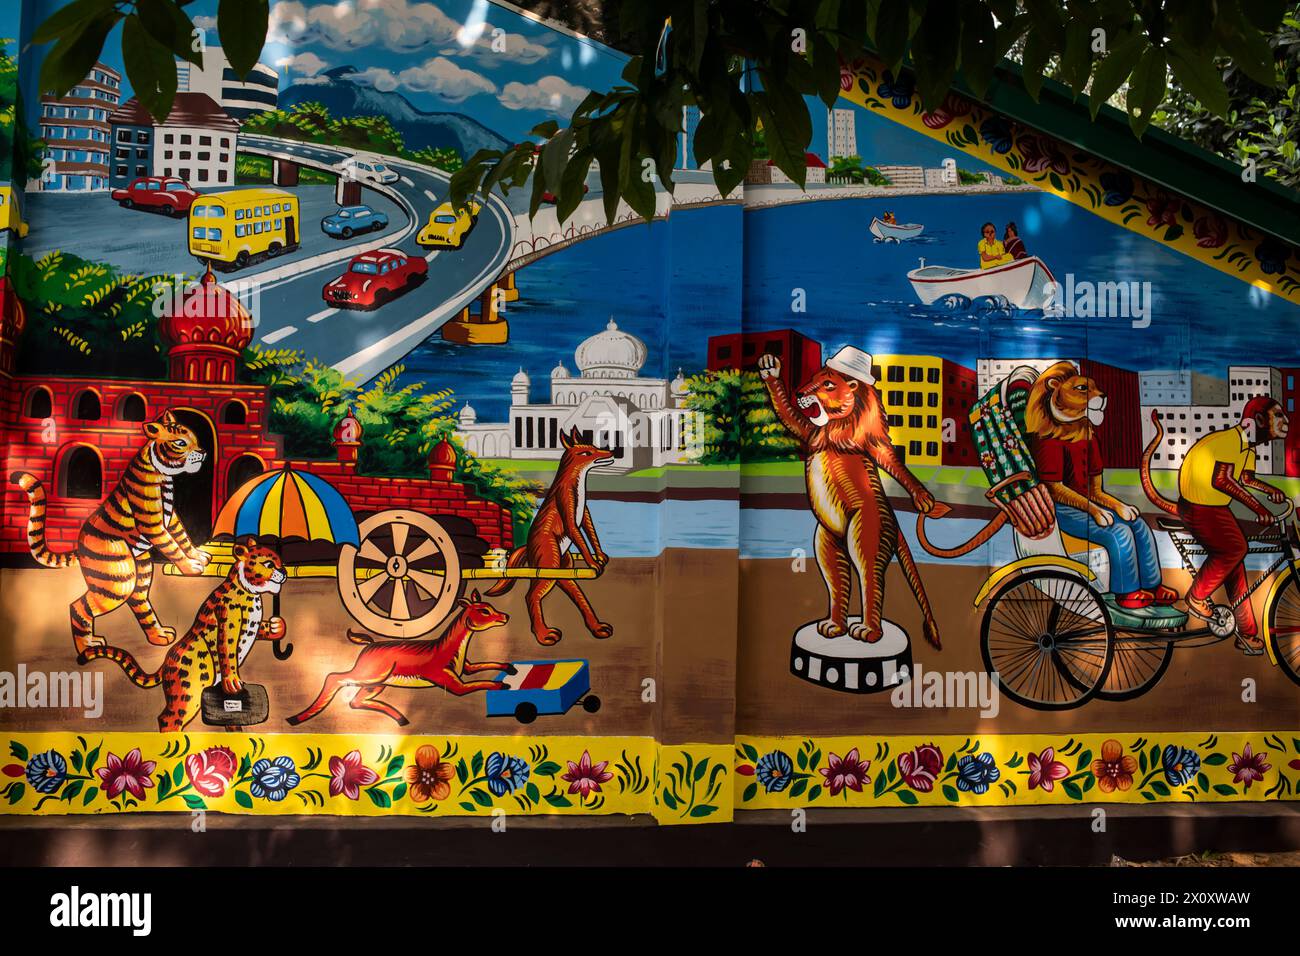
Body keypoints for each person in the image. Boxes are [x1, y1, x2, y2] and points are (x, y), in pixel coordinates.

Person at [1176, 396, 1290, 654]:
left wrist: (1270, 491)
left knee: (1234, 563)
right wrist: (1259, 509)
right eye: (1278, 416)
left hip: (1213, 505)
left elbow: (1246, 478)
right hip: (1199, 504)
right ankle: (1196, 596)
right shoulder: (1229, 441)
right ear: (1259, 420)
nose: (1286, 421)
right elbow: (1223, 481)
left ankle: (1246, 634)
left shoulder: (1248, 447)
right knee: (1235, 549)